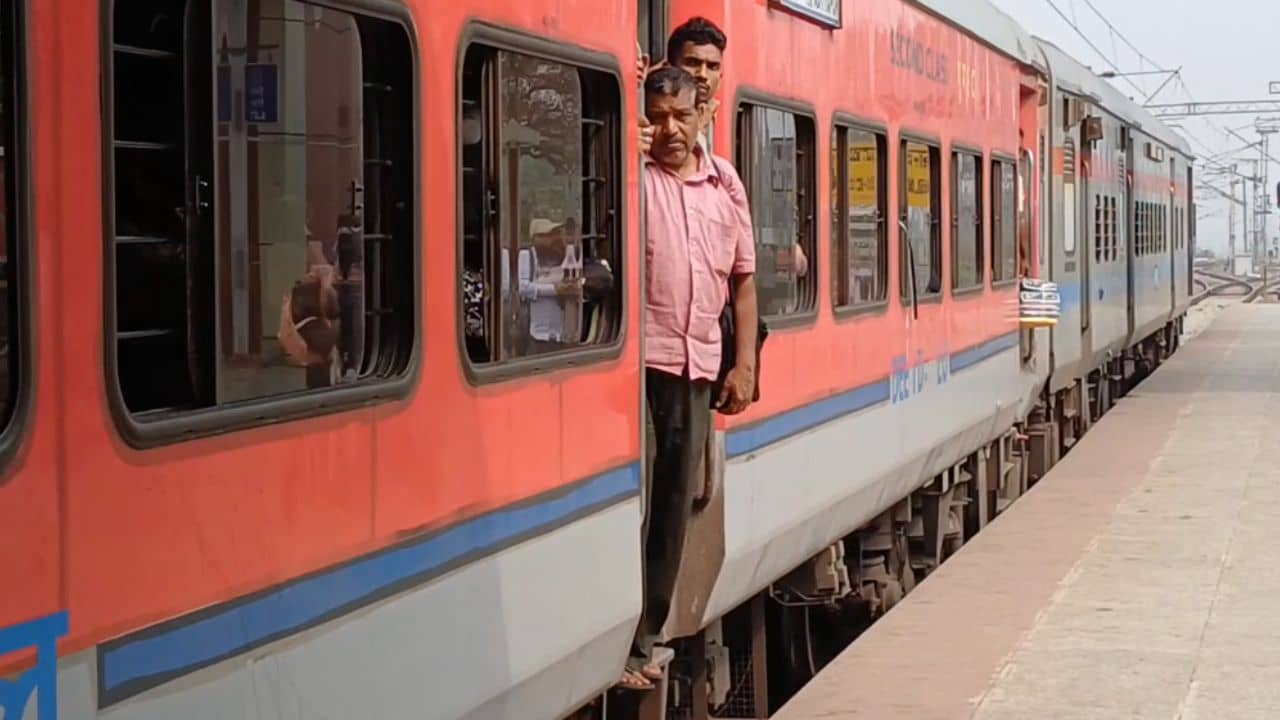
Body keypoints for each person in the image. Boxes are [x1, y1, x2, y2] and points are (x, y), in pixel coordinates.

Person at [621, 65, 759, 691]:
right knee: (642, 499)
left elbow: (744, 279)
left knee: (674, 505)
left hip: (698, 365)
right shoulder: (634, 179)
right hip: (641, 365)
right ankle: (623, 636)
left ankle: (646, 634)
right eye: (658, 116)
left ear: (705, 114)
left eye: (681, 115)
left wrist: (745, 361)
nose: (669, 129)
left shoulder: (724, 184)